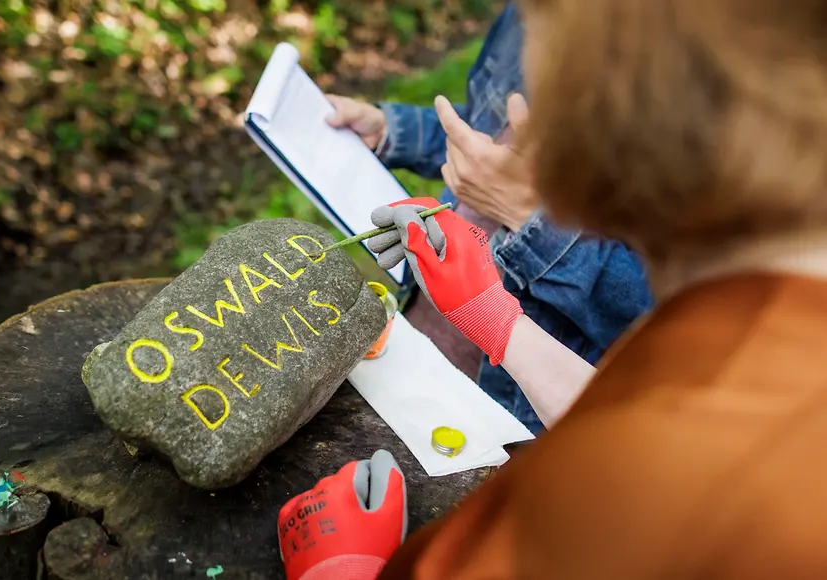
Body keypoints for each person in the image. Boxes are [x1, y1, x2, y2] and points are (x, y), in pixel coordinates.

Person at [281, 0, 827, 576]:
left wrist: (342, 569)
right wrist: (493, 317)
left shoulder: (618, 497)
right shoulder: (747, 330)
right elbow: (621, 422)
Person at [325, 1, 653, 433]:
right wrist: (392, 131)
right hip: (419, 341)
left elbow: (678, 325)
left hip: (521, 410)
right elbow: (485, 130)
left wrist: (530, 221)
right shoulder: (525, 13)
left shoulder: (702, 89)